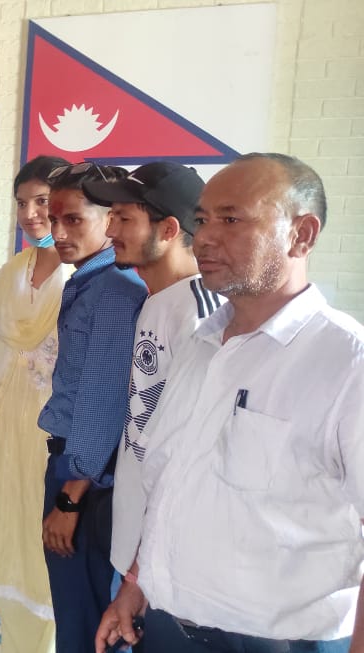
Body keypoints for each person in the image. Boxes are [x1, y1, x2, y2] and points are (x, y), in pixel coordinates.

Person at [96, 153, 364, 653]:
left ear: (302, 235)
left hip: (278, 640)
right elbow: (171, 481)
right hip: (169, 623)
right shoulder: (201, 347)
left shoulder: (346, 362)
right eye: (202, 220)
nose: (206, 237)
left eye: (232, 219)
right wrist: (136, 584)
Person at [82, 161, 223, 591]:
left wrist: (142, 570)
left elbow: (191, 451)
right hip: (136, 545)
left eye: (124, 219)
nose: (110, 231)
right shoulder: (158, 301)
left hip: (167, 562)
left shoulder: (203, 314)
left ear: (168, 230)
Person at [38, 161, 147, 653]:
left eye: (73, 219)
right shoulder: (88, 281)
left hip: (87, 479)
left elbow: (105, 402)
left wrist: (70, 497)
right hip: (79, 467)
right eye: (53, 218)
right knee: (76, 610)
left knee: (85, 620)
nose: (58, 232)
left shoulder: (116, 291)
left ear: (111, 219)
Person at [0, 155, 70, 653]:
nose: (31, 214)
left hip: (52, 437)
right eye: (22, 203)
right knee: (8, 533)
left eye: (43, 201)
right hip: (7, 426)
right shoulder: (13, 271)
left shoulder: (81, 275)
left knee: (44, 543)